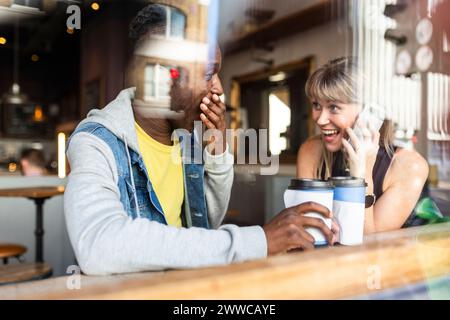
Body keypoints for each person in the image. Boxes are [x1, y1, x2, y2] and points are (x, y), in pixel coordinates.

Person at [65, 4, 335, 276]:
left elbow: (204, 225)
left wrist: (217, 152)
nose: (218, 88)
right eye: (207, 74)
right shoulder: (96, 141)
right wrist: (258, 241)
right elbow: (99, 246)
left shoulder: (188, 139)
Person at [297, 57, 429, 233]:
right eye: (316, 105)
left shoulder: (409, 166)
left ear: (370, 113)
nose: (320, 120)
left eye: (334, 107)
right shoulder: (311, 151)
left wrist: (362, 172)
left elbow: (368, 244)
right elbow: (307, 230)